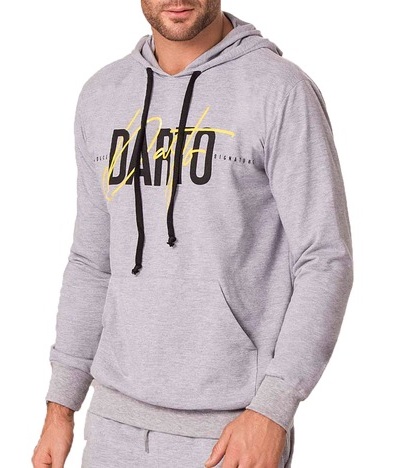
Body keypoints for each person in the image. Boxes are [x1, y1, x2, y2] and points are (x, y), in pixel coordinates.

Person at [32, 1, 354, 467]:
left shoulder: (279, 90)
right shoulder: (103, 95)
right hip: (111, 429)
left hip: (229, 434)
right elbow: (92, 260)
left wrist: (272, 410)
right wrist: (61, 406)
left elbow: (324, 258)